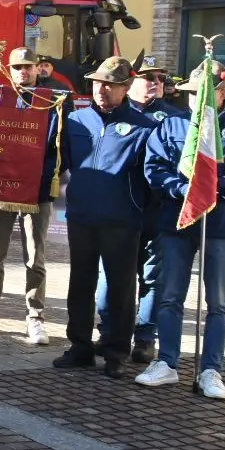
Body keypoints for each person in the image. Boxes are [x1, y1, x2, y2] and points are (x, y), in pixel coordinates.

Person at [137, 62, 225, 398]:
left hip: (221, 225)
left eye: (206, 93)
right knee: (170, 296)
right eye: (193, 93)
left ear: (223, 95)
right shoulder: (172, 126)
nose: (198, 100)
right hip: (177, 222)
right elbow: (154, 169)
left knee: (219, 302)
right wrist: (183, 190)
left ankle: (211, 369)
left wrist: (215, 187)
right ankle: (166, 362)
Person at [54, 57, 153, 378]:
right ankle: (80, 346)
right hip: (81, 215)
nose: (102, 89)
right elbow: (63, 161)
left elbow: (150, 176)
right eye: (98, 83)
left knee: (120, 288)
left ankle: (115, 351)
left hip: (122, 219)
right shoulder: (76, 120)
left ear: (126, 88)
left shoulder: (145, 126)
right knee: (80, 282)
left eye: (110, 85)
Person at [0, 47, 61, 346]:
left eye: (29, 67)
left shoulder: (50, 102)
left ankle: (35, 317)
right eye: (18, 67)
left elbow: (56, 148)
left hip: (35, 190)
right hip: (0, 188)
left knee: (35, 257)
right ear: (9, 70)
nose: (24, 72)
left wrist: (35, 177)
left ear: (38, 69)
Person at [112, 57, 184, 361]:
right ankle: (112, 332)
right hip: (121, 210)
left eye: (159, 77)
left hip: (156, 210)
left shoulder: (176, 119)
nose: (154, 82)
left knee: (153, 277)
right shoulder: (115, 114)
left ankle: (144, 337)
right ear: (130, 83)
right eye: (146, 76)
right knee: (116, 275)